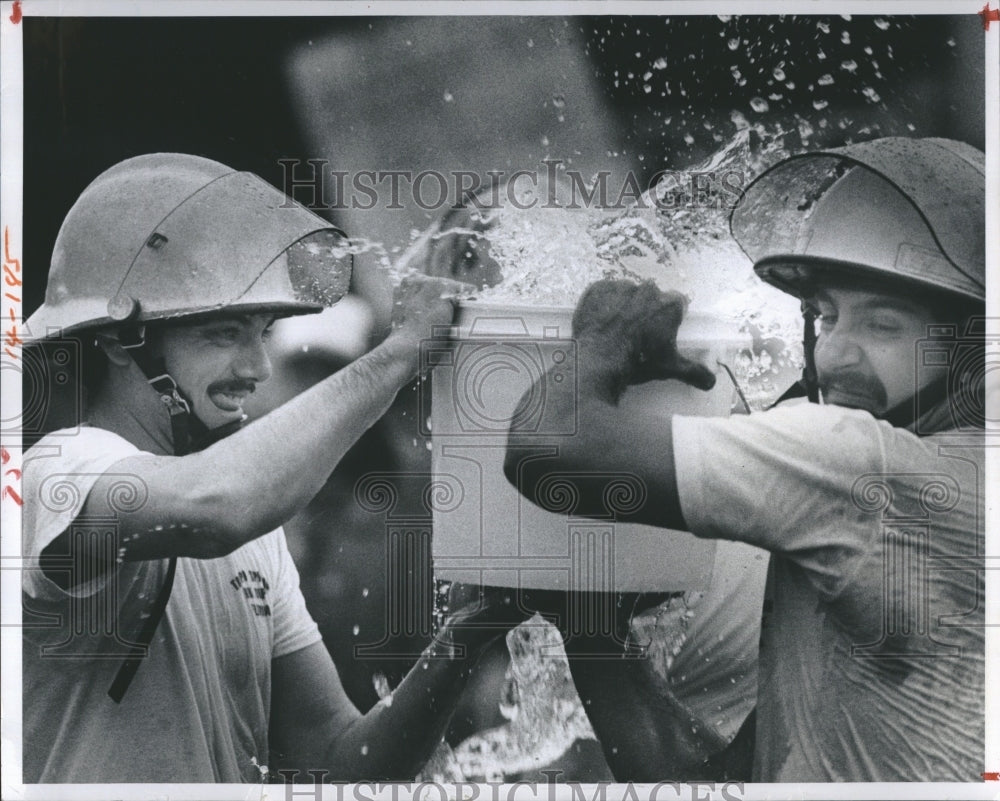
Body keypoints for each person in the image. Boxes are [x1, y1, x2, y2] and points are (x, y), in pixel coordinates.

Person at [20, 153, 527, 784]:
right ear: (122, 340)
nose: (258, 368)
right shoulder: (52, 475)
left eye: (261, 332)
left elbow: (340, 762)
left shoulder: (255, 525)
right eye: (225, 333)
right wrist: (399, 355)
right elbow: (217, 508)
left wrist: (464, 637)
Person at [504, 136, 987, 781]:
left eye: (883, 326)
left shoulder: (868, 468)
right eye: (825, 315)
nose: (834, 354)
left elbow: (549, 446)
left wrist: (604, 338)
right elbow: (707, 783)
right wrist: (591, 628)